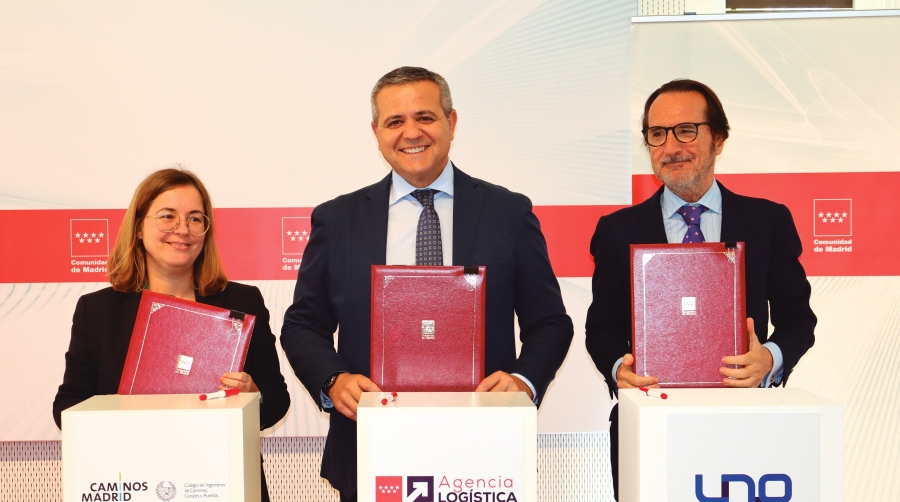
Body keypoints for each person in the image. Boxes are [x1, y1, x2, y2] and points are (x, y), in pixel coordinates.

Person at [280, 66, 574, 501]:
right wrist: (334, 380)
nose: (411, 132)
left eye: (425, 117)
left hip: (485, 448)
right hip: (371, 441)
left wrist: (523, 381)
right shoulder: (337, 219)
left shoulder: (508, 212)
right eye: (395, 122)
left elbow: (549, 321)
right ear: (376, 132)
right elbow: (303, 324)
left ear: (451, 123)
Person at [584, 79, 817, 498]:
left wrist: (769, 358)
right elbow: (600, 329)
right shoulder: (616, 231)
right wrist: (620, 368)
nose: (672, 146)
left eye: (686, 130)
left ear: (719, 139)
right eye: (657, 134)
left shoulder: (769, 221)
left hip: (745, 420)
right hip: (650, 421)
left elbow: (798, 320)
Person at [52, 168, 290, 502]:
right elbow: (67, 405)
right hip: (133, 480)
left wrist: (254, 396)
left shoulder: (242, 302)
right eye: (168, 216)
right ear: (138, 227)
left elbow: (277, 400)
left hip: (225, 479)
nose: (183, 229)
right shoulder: (99, 310)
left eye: (195, 218)